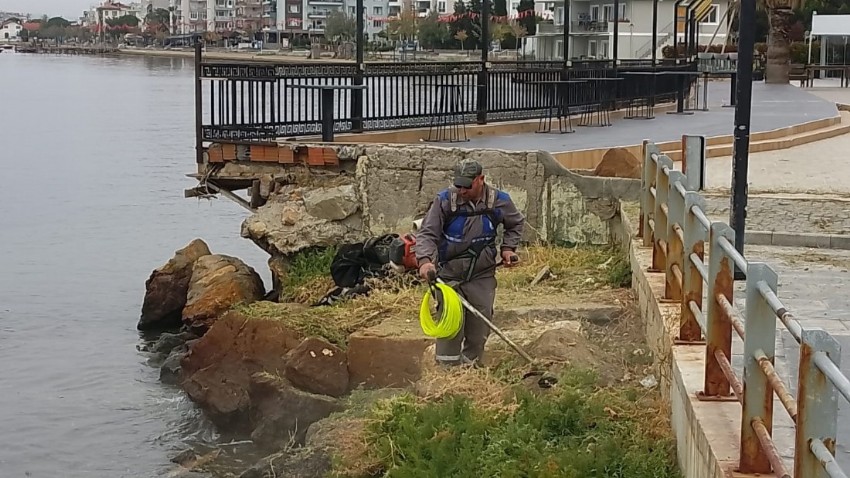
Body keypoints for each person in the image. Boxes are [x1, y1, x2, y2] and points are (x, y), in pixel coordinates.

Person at [415, 159, 525, 366]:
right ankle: (447, 373)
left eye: (467, 185)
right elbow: (427, 234)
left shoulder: (499, 201)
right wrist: (425, 261)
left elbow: (516, 223)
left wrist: (508, 249)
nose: (462, 190)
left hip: (481, 274)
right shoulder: (445, 201)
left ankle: (471, 369)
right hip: (448, 274)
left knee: (480, 326)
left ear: (481, 180)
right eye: (459, 186)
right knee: (451, 327)